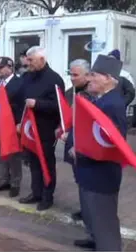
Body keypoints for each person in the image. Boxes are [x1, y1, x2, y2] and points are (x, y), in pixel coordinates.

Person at [68, 55, 125, 251]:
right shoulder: (102, 100)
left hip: (101, 175)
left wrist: (81, 152)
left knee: (105, 222)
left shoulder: (112, 104)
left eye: (94, 75)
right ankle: (95, 240)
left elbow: (109, 144)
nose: (89, 79)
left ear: (108, 78)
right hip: (90, 172)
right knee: (93, 216)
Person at [18, 46, 65, 211]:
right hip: (30, 130)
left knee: (46, 163)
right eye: (27, 59)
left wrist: (37, 104)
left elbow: (58, 106)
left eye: (31, 60)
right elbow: (21, 100)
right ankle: (35, 192)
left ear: (42, 60)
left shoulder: (55, 79)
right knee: (33, 163)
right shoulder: (28, 77)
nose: (27, 63)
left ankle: (47, 196)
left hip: (46, 130)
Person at [62, 59, 95, 222]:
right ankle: (85, 209)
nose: (72, 78)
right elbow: (67, 115)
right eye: (70, 74)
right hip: (72, 141)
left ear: (88, 75)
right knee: (79, 179)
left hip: (87, 145)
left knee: (88, 181)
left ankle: (90, 211)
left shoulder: (94, 94)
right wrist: (63, 129)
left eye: (76, 75)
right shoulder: (70, 92)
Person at [0, 57, 24, 198]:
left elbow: (21, 106)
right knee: (0, 155)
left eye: (1, 67)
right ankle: (3, 179)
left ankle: (15, 183)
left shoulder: (19, 83)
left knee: (13, 156)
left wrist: (19, 123)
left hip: (11, 126)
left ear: (10, 68)